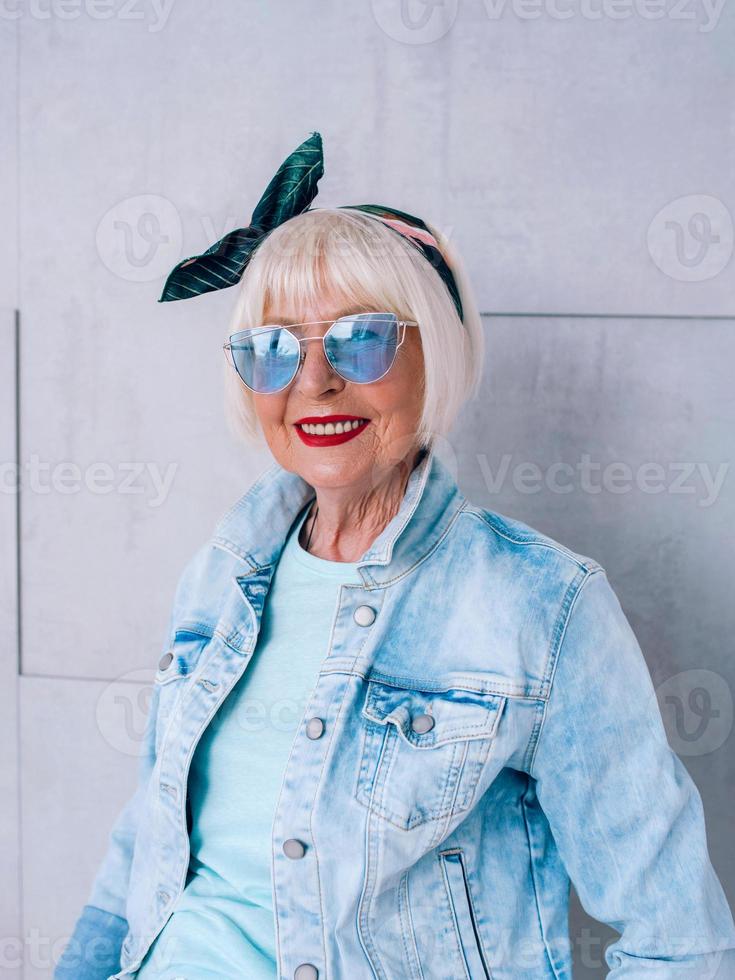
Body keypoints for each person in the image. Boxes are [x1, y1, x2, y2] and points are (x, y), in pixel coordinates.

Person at [55, 134, 735, 979]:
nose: (314, 383)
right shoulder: (223, 574)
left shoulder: (541, 604)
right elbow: (140, 856)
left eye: (361, 339)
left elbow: (676, 938)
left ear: (433, 351)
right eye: (274, 348)